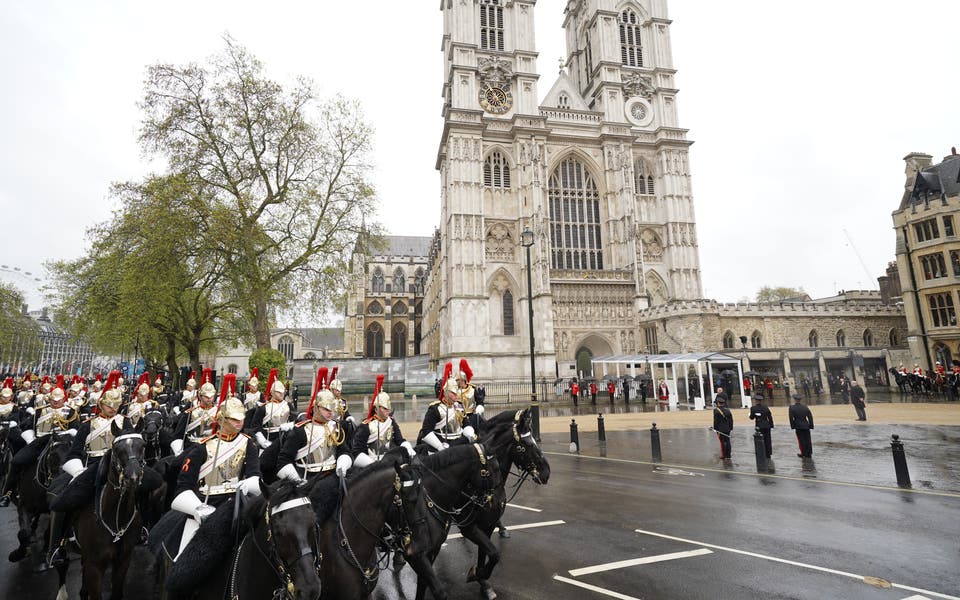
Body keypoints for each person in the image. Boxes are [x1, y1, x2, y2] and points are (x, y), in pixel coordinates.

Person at [170, 373, 261, 557]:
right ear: (221, 420)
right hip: (206, 502)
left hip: (236, 502)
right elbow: (184, 486)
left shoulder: (248, 443)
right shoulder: (201, 448)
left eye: (241, 419)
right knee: (184, 559)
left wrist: (247, 484)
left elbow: (254, 473)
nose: (239, 423)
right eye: (234, 419)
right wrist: (197, 509)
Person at [276, 367, 351, 484]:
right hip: (308, 480)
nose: (330, 412)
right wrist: (297, 481)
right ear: (316, 408)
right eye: (326, 409)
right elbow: (284, 461)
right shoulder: (300, 430)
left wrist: (343, 462)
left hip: (333, 477)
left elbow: (345, 451)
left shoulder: (336, 427)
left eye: (331, 409)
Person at [350, 374, 415, 468]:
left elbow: (400, 440)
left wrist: (408, 447)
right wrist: (372, 465)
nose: (387, 411)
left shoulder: (391, 422)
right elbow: (357, 452)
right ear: (376, 409)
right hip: (371, 464)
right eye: (384, 408)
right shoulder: (366, 426)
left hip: (391, 461)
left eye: (388, 408)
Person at [417, 361, 474, 451]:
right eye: (453, 393)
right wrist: (440, 446)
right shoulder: (435, 409)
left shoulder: (459, 405)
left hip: (459, 442)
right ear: (445, 393)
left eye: (457, 393)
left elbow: (465, 422)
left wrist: (469, 433)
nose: (457, 395)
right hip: (441, 443)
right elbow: (426, 431)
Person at [169, 369, 219, 456]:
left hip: (213, 448)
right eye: (206, 396)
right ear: (200, 395)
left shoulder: (218, 412)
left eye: (211, 396)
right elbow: (179, 434)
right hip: (192, 447)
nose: (209, 399)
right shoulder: (190, 412)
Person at [247, 367, 293, 449]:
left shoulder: (288, 405)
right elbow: (255, 426)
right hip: (268, 438)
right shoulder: (263, 407)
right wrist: (262, 441)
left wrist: (290, 425)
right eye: (278, 392)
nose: (281, 394)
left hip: (285, 438)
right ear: (272, 392)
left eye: (283, 391)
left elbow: (297, 419)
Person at [712, 395, 733, 460]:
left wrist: (715, 429)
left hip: (720, 429)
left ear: (718, 403)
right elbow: (731, 420)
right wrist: (730, 428)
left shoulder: (716, 410)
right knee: (728, 441)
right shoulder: (728, 410)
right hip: (727, 428)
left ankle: (724, 455)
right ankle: (728, 455)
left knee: (722, 442)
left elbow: (716, 421)